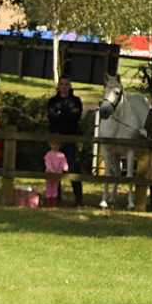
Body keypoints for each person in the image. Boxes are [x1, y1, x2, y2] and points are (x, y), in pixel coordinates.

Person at [46, 77, 84, 206]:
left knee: (73, 167)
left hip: (71, 138)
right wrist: (67, 114)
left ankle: (78, 199)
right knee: (54, 168)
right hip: (56, 139)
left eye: (67, 84)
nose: (64, 86)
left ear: (70, 85)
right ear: (58, 85)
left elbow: (76, 118)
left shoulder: (76, 101)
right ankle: (55, 198)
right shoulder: (52, 101)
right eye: (62, 84)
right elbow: (52, 118)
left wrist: (60, 113)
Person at [43, 139, 68, 208]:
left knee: (55, 188)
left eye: (57, 144)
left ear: (60, 146)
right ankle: (48, 203)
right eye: (54, 144)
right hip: (49, 173)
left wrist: (65, 168)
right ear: (50, 145)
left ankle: (53, 203)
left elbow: (64, 162)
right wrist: (50, 169)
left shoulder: (61, 155)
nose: (55, 146)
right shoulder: (49, 154)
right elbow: (47, 162)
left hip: (58, 174)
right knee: (49, 188)